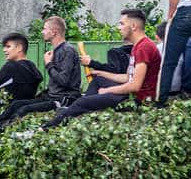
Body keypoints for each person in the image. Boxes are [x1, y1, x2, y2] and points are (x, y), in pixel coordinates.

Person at [32, 9, 161, 131]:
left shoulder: (144, 47)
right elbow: (128, 77)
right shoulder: (138, 46)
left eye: (121, 24)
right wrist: (101, 73)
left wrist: (107, 90)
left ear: (133, 26)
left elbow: (134, 86)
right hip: (132, 93)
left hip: (136, 100)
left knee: (83, 101)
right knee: (98, 80)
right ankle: (73, 110)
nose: (118, 27)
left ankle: (45, 129)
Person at [0, 17, 82, 142]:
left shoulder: (67, 50)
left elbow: (63, 80)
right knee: (16, 104)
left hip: (63, 100)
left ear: (54, 32)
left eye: (44, 29)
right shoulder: (56, 51)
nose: (42, 32)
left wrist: (48, 64)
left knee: (24, 109)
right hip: (52, 96)